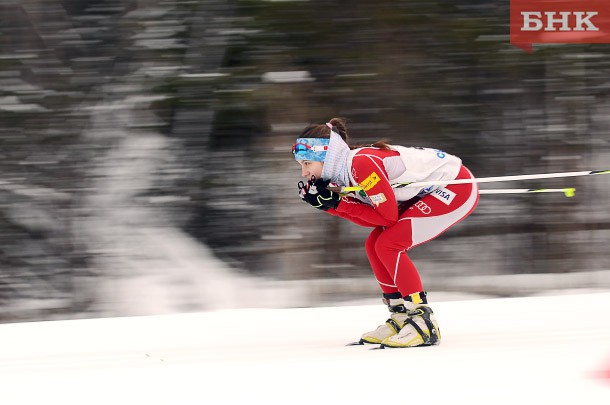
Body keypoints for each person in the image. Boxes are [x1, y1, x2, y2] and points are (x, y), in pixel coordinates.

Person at [292, 117, 479, 348]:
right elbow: (372, 218)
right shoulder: (343, 172)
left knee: (389, 244)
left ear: (325, 156)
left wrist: (337, 205)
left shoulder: (360, 166)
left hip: (454, 188)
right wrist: (331, 206)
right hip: (430, 190)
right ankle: (401, 316)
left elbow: (387, 217)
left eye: (307, 163)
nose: (304, 172)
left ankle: (422, 320)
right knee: (374, 244)